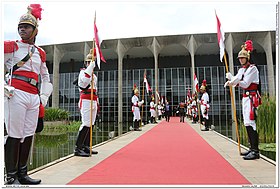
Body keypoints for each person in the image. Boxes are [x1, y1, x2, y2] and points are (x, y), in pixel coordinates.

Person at [4, 4, 53, 185]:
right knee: (14, 134)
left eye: (26, 27)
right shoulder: (12, 47)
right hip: (16, 93)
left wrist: (43, 98)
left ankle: (23, 173)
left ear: (35, 30)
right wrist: (4, 87)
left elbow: (46, 77)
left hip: (34, 96)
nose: (22, 29)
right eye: (20, 27)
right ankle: (10, 175)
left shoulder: (40, 52)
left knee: (28, 134)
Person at [224, 40, 261, 160]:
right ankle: (251, 148)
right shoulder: (242, 69)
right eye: (239, 58)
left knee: (251, 122)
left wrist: (233, 82)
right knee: (246, 122)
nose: (240, 59)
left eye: (243, 58)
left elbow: (245, 84)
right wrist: (231, 79)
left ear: (247, 58)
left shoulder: (252, 69)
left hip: (251, 97)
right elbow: (237, 79)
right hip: (245, 98)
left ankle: (255, 150)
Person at [74, 49, 98, 157]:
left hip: (93, 100)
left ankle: (86, 146)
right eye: (88, 62)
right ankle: (78, 148)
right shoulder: (83, 73)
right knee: (86, 123)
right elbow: (83, 84)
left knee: (91, 124)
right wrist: (90, 68)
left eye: (91, 62)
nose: (90, 63)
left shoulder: (94, 75)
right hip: (86, 100)